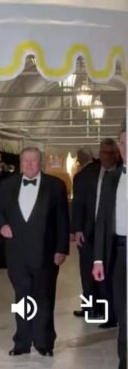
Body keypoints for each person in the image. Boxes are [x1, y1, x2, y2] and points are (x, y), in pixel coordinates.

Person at [0, 146, 69, 357]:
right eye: (25, 161)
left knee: (44, 297)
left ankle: (44, 343)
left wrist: (62, 249)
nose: (29, 165)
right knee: (21, 298)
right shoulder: (8, 185)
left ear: (41, 163)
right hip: (17, 254)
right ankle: (22, 342)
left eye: (33, 161)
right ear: (20, 162)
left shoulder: (55, 186)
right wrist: (2, 225)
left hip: (46, 253)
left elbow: (63, 219)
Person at [93, 128, 127, 369]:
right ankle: (124, 368)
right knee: (123, 315)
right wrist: (98, 260)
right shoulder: (112, 178)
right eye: (124, 143)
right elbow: (102, 222)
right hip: (117, 252)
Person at [71, 139, 118, 324]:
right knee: (86, 274)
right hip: (89, 231)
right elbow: (78, 204)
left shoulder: (122, 173)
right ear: (99, 154)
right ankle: (89, 308)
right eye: (104, 153)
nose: (108, 157)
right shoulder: (87, 175)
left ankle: (109, 313)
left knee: (109, 275)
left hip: (113, 232)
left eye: (111, 153)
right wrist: (77, 229)